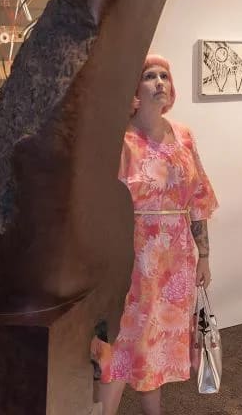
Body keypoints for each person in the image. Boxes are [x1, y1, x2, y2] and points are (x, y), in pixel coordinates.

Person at [92, 54, 218, 415]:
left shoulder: (184, 136)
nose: (160, 82)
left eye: (165, 75)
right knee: (120, 342)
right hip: (132, 257)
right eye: (150, 76)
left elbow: (199, 197)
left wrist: (204, 255)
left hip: (176, 259)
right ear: (134, 88)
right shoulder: (121, 139)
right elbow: (101, 204)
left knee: (157, 342)